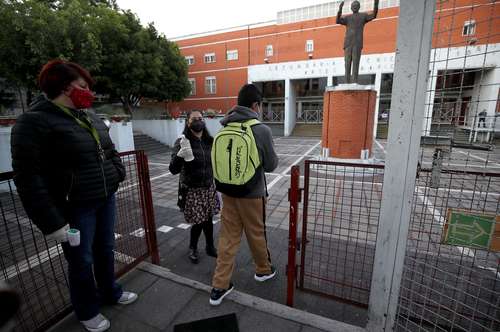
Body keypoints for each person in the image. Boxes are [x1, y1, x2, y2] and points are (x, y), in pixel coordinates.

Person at [11, 60, 136, 332]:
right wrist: (52, 223)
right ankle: (87, 310)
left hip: (105, 197)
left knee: (105, 250)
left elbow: (110, 149)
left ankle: (110, 292)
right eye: (83, 86)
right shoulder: (33, 122)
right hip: (75, 207)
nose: (89, 92)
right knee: (81, 261)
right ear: (65, 88)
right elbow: (28, 178)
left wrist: (117, 173)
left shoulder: (88, 115)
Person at [209, 84, 279, 306]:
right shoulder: (261, 129)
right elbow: (271, 165)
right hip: (252, 193)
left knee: (228, 237)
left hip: (227, 192)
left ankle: (219, 286)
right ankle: (263, 270)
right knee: (256, 233)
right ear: (255, 105)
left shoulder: (224, 127)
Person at [169, 110, 219, 264]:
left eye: (200, 118)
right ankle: (193, 247)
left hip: (209, 187)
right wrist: (180, 156)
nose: (198, 121)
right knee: (199, 221)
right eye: (194, 119)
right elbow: (173, 169)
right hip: (193, 189)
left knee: (208, 219)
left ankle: (210, 246)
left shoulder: (209, 141)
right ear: (188, 122)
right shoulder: (182, 141)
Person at [337, 0, 379, 83]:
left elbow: (374, 15)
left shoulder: (363, 16)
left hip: (357, 43)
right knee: (347, 64)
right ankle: (346, 82)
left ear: (359, 7)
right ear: (351, 8)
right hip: (348, 43)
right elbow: (338, 21)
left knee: (356, 63)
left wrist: (376, 3)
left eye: (356, 5)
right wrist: (340, 9)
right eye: (353, 6)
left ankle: (354, 83)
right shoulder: (347, 18)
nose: (354, 7)